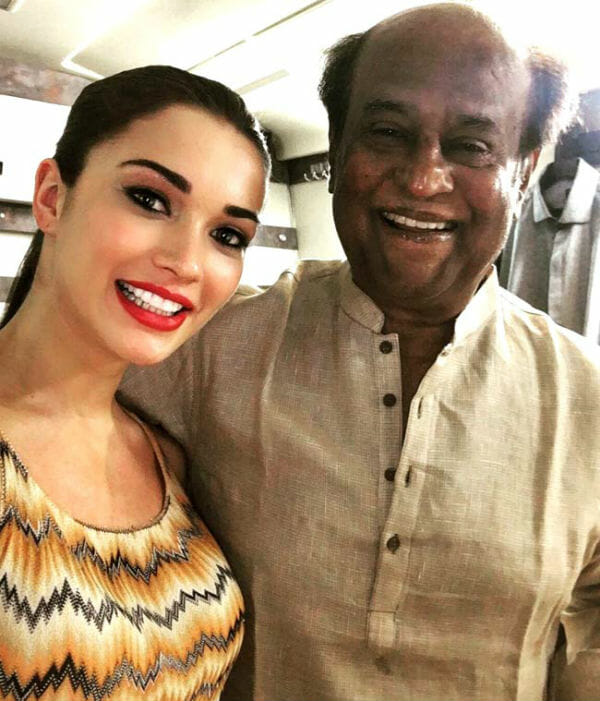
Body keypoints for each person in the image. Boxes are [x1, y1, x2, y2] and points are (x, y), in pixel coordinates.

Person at [120, 5, 600, 700]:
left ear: (522, 172)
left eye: (471, 145)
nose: (423, 178)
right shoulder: (210, 346)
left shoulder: (587, 398)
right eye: (387, 132)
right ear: (337, 154)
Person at [0, 65, 268, 700]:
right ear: (52, 197)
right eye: (150, 200)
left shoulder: (164, 456)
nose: (187, 262)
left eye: (227, 235)